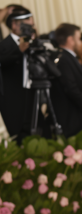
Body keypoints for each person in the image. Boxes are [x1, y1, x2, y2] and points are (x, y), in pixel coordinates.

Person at [0, 5, 33, 140]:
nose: (30, 29)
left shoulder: (31, 43)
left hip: (31, 97)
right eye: (27, 26)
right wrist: (19, 50)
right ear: (14, 25)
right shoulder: (4, 45)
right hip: (12, 102)